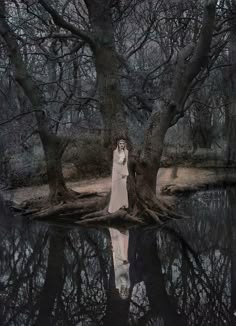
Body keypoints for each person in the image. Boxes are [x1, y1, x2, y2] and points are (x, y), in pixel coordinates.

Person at [108, 138, 129, 213]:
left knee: (123, 188)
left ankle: (123, 204)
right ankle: (115, 205)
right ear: (118, 144)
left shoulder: (126, 152)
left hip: (123, 172)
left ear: (125, 145)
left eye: (123, 143)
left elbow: (126, 163)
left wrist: (124, 173)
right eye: (120, 143)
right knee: (116, 188)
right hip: (116, 172)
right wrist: (117, 172)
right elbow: (115, 163)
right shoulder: (115, 152)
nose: (122, 145)